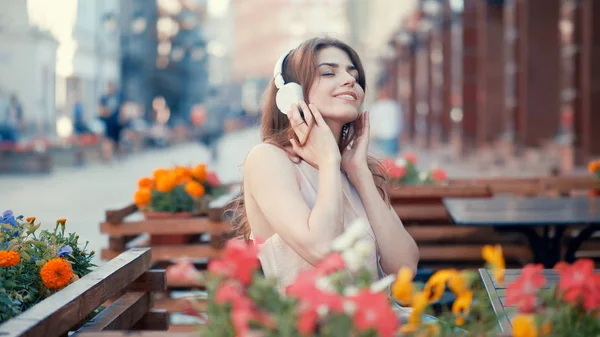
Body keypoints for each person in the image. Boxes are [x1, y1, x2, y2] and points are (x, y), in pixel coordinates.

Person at [230, 37, 419, 292]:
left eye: (354, 75)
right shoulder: (268, 159)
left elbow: (404, 269)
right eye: (329, 72)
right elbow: (323, 251)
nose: (350, 80)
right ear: (291, 94)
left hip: (378, 321)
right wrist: (329, 160)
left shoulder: (354, 170)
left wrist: (359, 172)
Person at [369, 86, 403, 158]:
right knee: (386, 156)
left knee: (386, 157)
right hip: (384, 134)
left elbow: (398, 120)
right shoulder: (391, 105)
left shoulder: (390, 105)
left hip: (389, 134)